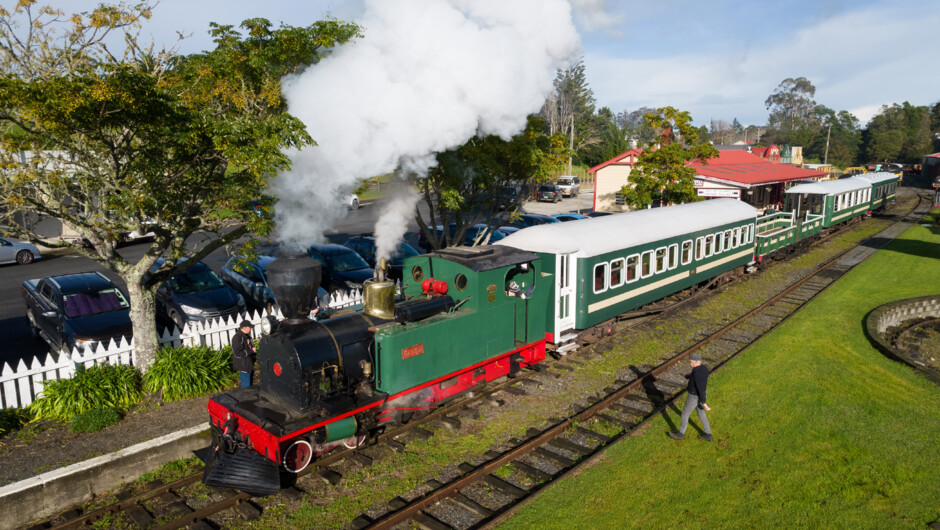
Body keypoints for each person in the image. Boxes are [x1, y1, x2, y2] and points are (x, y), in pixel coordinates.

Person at [668, 352, 713, 441]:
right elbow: (696, 377)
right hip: (700, 395)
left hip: (695, 396)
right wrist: (689, 376)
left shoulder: (697, 373)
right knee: (701, 414)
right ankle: (708, 434)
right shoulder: (703, 368)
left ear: (696, 362)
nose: (690, 363)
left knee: (685, 413)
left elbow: (700, 388)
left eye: (691, 361)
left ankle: (680, 434)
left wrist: (703, 402)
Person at [231, 320, 256, 388]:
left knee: (249, 383)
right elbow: (237, 353)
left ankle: (249, 395)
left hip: (248, 363)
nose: (251, 329)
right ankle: (246, 397)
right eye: (249, 327)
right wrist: (251, 351)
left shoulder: (246, 336)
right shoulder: (237, 337)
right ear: (244, 328)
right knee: (246, 385)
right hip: (243, 364)